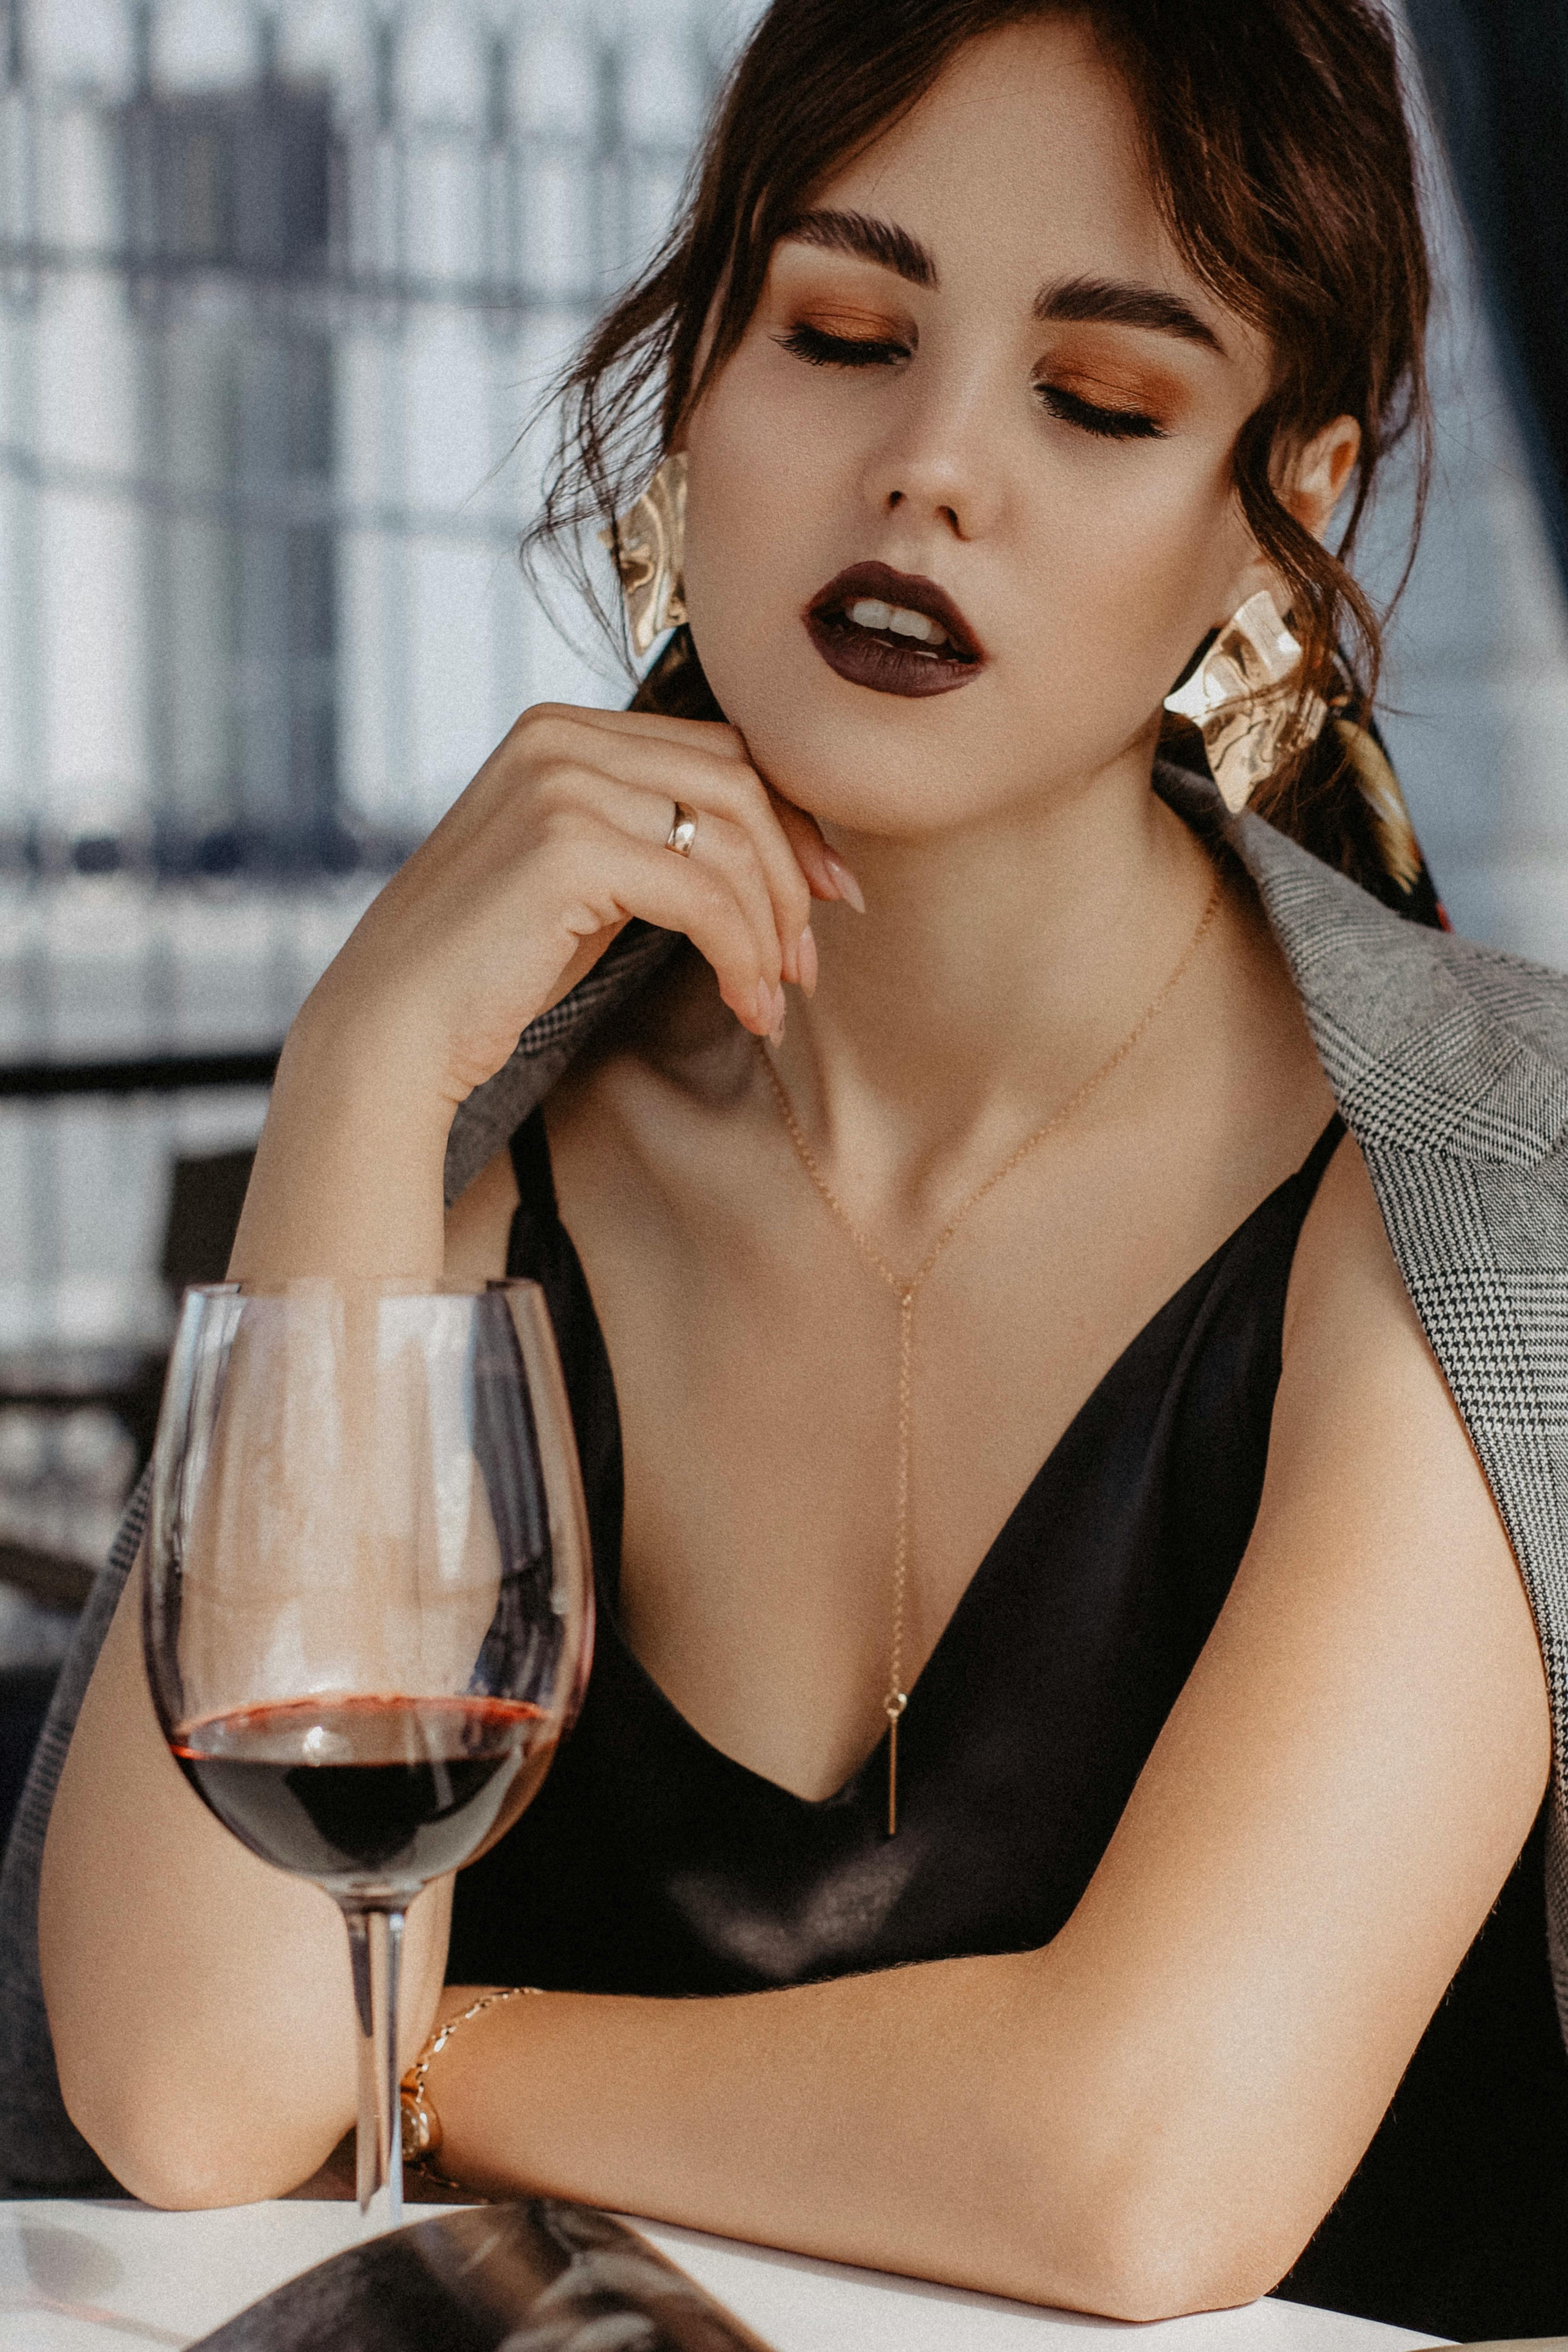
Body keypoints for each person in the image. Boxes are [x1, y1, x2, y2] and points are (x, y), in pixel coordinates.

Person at [15, 0, 1568, 2337]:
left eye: (1098, 398)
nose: (931, 469)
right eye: (844, 332)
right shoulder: (488, 1163)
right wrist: (358, 1065)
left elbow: (1143, 2167)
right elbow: (194, 2080)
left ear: (1290, 500)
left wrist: (413, 2058)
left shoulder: (1488, 1168)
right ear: (700, 382)